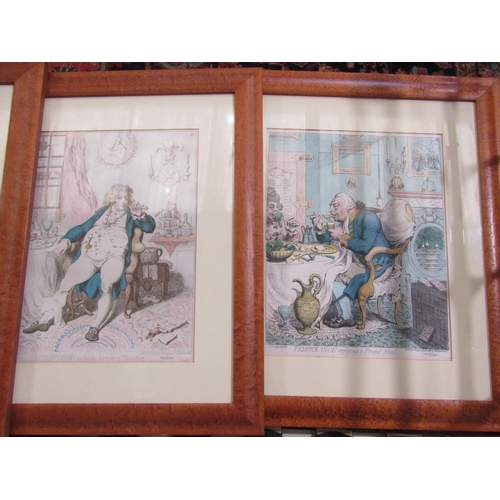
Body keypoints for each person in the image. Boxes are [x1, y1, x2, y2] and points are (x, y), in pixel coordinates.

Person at [23, 184, 156, 342]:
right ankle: (46, 319)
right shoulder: (102, 212)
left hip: (113, 257)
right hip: (89, 256)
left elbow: (149, 227)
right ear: (113, 198)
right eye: (119, 197)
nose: (123, 201)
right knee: (65, 284)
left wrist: (140, 215)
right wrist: (67, 239)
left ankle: (95, 326)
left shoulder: (131, 215)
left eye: (126, 198)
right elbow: (82, 227)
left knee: (107, 286)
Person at [311, 192, 394, 328]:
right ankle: (343, 314)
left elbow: (366, 246)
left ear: (348, 207)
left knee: (332, 274)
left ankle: (346, 317)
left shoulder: (369, 218)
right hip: (361, 262)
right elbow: (328, 241)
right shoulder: (347, 220)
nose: (331, 210)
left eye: (335, 206)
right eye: (331, 206)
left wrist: (342, 237)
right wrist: (320, 229)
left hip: (377, 264)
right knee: (328, 270)